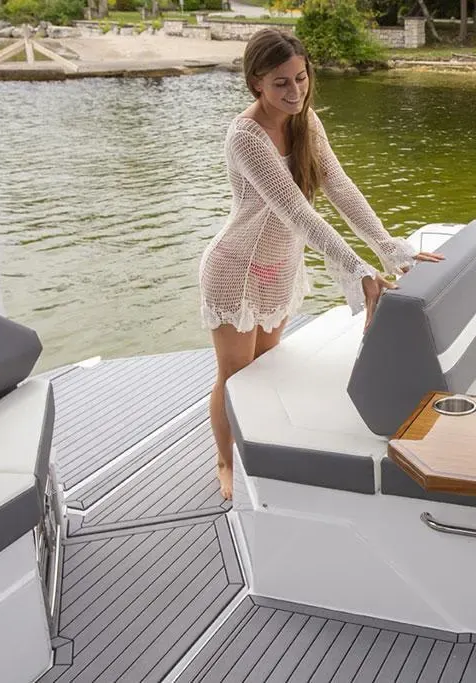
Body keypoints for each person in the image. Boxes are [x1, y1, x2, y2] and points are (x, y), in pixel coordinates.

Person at [198, 28, 444, 500]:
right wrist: (358, 269)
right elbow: (297, 211)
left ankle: (255, 452)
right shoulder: (246, 137)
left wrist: (390, 248)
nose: (295, 91)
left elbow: (339, 187)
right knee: (233, 375)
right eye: (281, 83)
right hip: (236, 271)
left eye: (301, 77)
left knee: (263, 370)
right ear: (256, 83)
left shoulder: (306, 121)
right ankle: (225, 461)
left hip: (280, 268)